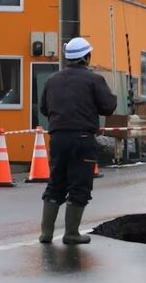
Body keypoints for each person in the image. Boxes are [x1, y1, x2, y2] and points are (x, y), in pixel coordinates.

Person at [38, 37, 117, 244]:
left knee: (56, 182)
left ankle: (46, 233)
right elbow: (108, 107)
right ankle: (71, 233)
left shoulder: (52, 80)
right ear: (86, 57)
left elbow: (44, 109)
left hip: (57, 138)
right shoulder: (94, 80)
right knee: (80, 184)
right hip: (82, 139)